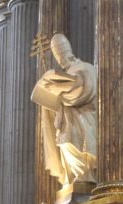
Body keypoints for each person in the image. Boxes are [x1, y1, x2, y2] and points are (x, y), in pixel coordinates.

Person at [32, 33, 97, 188]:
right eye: (59, 60)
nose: (61, 62)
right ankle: (77, 180)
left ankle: (84, 178)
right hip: (67, 122)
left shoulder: (85, 68)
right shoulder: (68, 71)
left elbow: (82, 91)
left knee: (73, 147)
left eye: (62, 59)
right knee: (65, 146)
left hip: (83, 121)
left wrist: (57, 88)